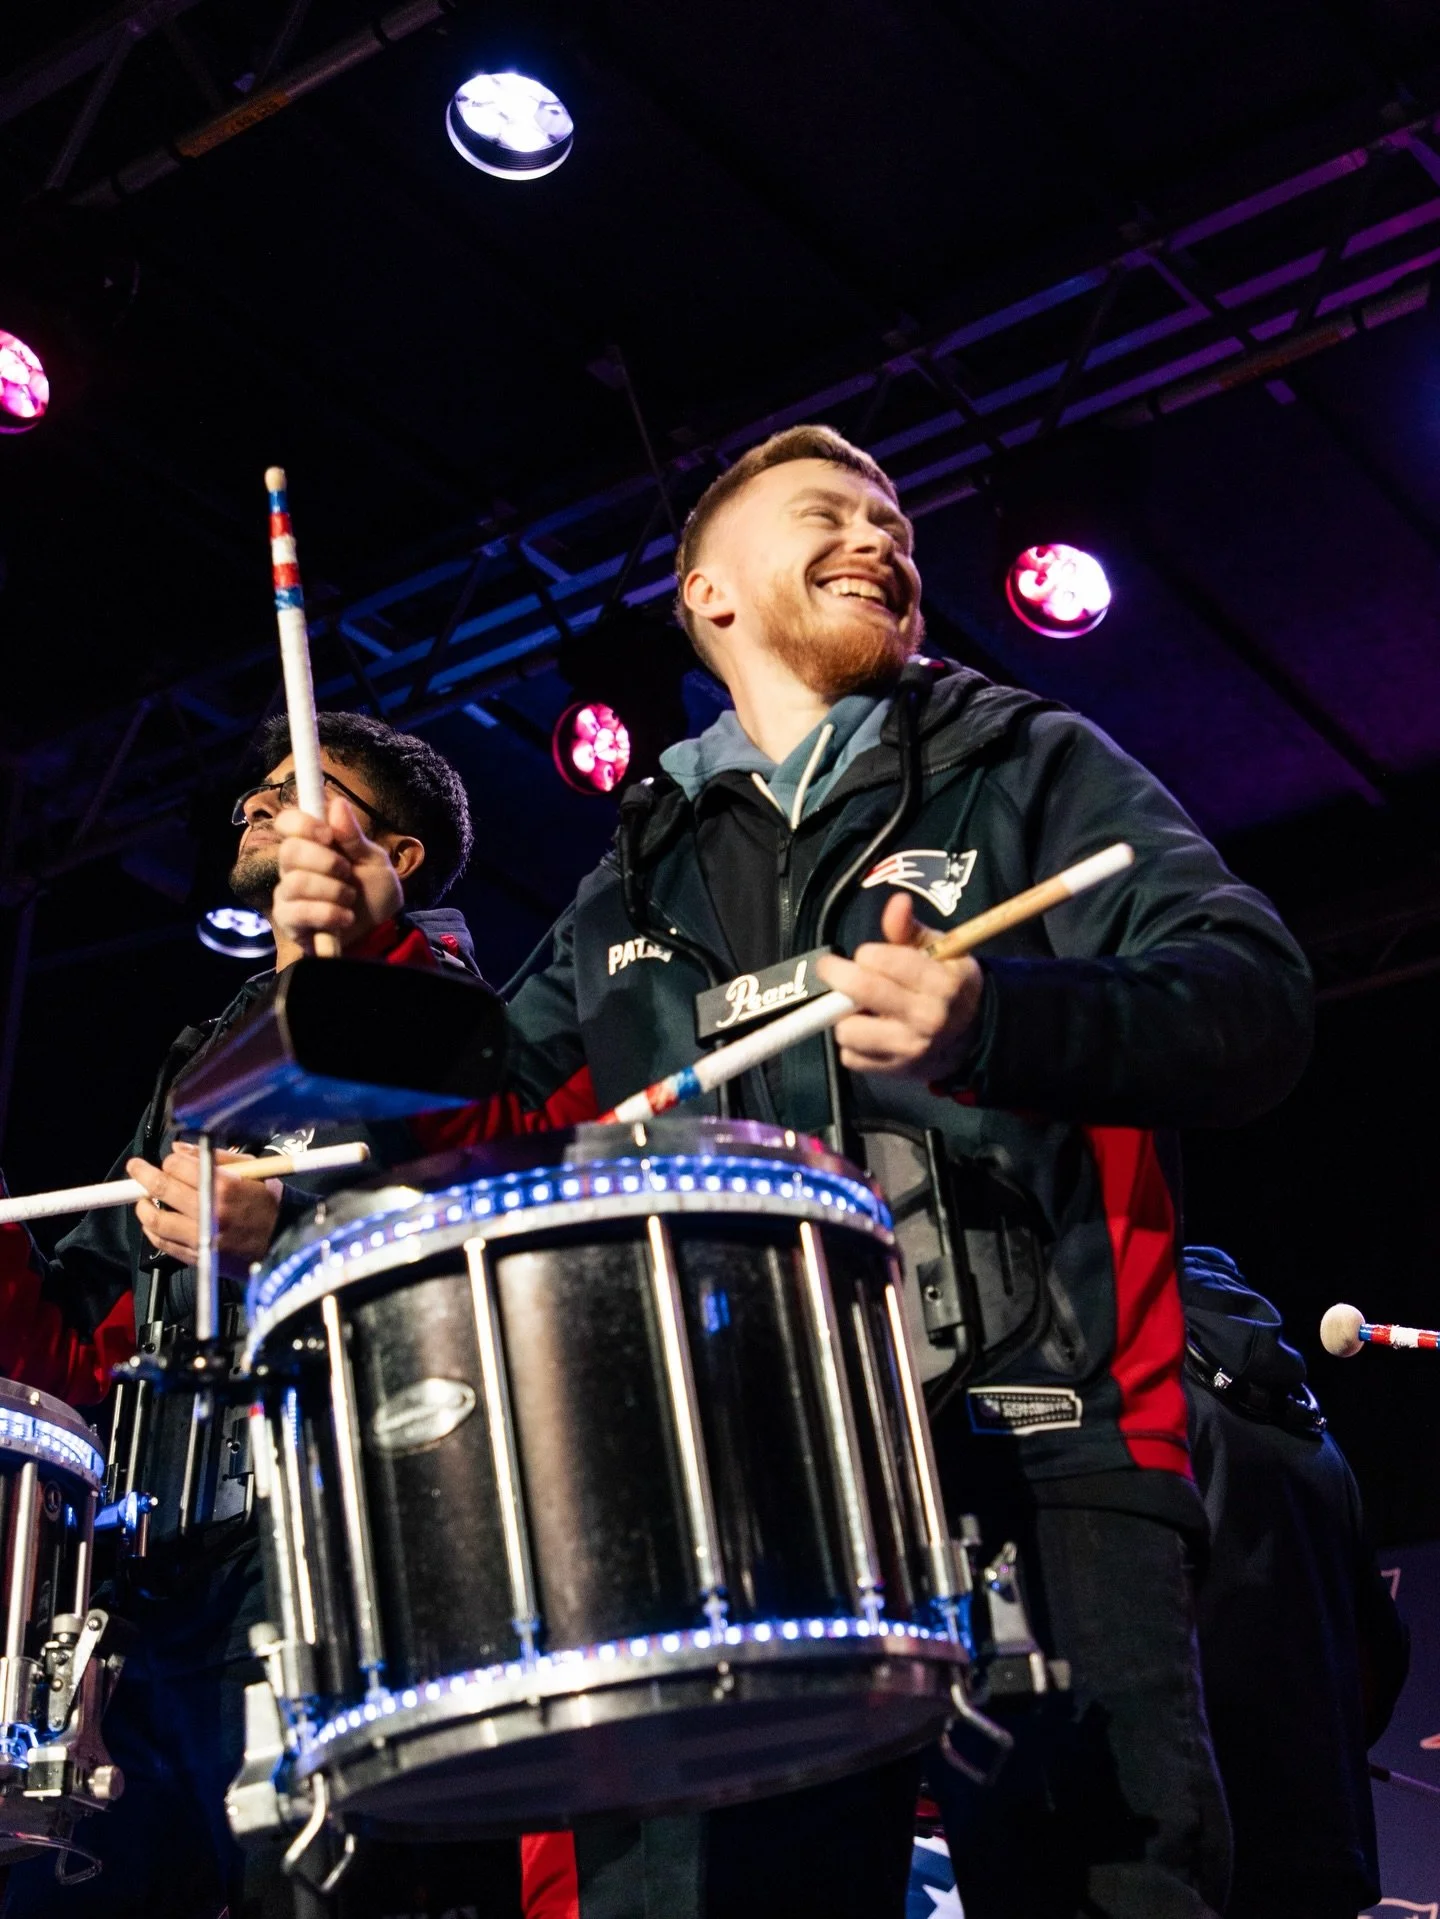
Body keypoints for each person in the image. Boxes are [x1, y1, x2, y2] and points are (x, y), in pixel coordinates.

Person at [273, 424, 1314, 1919]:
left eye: (894, 520)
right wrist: (370, 948)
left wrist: (995, 1016)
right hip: (741, 1494)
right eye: (828, 511)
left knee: (1108, 1887)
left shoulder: (1021, 761)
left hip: (1043, 1443)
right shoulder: (630, 874)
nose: (882, 538)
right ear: (706, 594)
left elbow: (1254, 995)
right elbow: (475, 1130)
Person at [0, 712, 521, 1919]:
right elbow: (82, 1352)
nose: (258, 803)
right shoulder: (207, 1057)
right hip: (140, 1588)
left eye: (304, 788)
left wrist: (281, 1231)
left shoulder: (464, 1029)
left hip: (346, 1566)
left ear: (396, 855)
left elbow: (499, 1265)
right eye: (259, 790)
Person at [1180, 1244, 1408, 1919]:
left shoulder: (1155, 1417)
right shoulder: (1321, 1444)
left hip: (1211, 1841)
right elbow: (1381, 1654)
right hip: (1327, 1848)